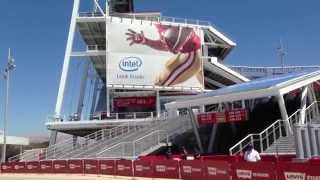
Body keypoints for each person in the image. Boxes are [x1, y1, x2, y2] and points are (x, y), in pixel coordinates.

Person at [126, 24, 203, 87]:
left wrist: (179, 42)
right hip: (187, 54)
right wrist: (145, 41)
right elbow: (165, 45)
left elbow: (187, 29)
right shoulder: (159, 22)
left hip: (192, 55)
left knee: (160, 85)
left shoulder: (173, 18)